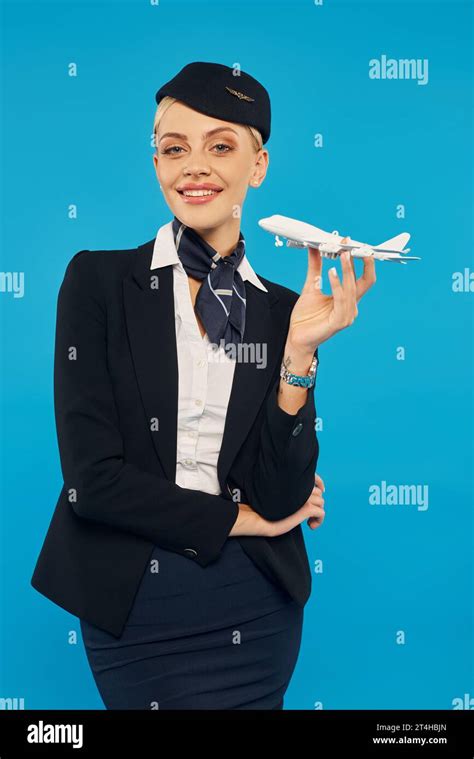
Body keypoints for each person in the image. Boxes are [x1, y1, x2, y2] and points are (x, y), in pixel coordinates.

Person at [30, 61, 376, 710]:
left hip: (256, 599)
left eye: (221, 145)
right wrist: (243, 519)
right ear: (156, 163)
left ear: (259, 164)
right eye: (173, 147)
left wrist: (299, 352)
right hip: (132, 597)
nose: (195, 165)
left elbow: (283, 491)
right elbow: (92, 481)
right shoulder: (97, 284)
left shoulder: (279, 311)